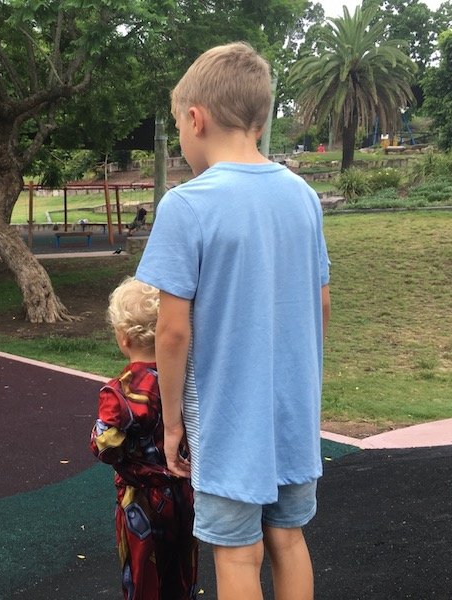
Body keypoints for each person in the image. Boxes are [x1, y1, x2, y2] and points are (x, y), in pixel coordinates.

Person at [135, 42, 331, 600]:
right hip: (293, 411)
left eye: (178, 125)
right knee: (288, 539)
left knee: (238, 555)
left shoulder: (186, 205)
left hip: (227, 417)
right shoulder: (303, 197)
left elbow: (172, 332)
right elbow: (320, 303)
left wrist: (172, 423)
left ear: (195, 118)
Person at [90, 277, 198, 600]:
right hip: (183, 490)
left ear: (123, 338)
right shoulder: (183, 378)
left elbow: (103, 443)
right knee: (181, 569)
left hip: (139, 499)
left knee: (142, 575)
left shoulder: (121, 390)